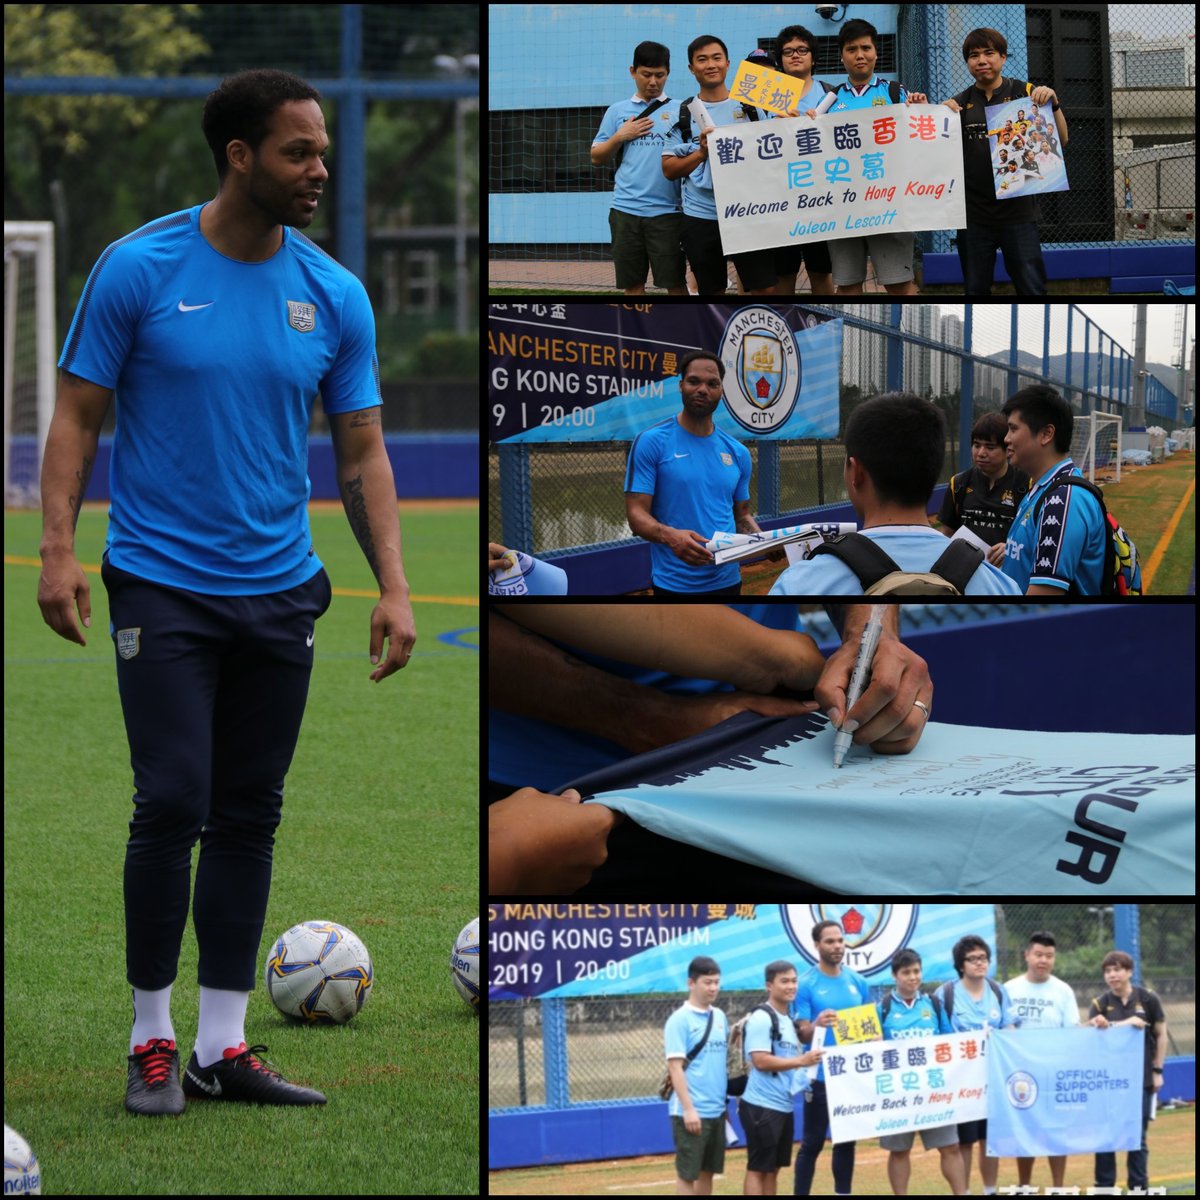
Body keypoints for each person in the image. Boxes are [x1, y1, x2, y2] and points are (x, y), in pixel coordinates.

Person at [38, 68, 417, 1116]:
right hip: (158, 583)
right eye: (298, 152)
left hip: (281, 592)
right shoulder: (137, 269)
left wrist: (393, 587)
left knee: (250, 813)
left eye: (323, 151)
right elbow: (75, 418)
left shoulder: (334, 294)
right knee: (170, 801)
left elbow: (363, 452)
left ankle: (222, 1044)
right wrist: (57, 552)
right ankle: (150, 1039)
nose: (319, 171)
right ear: (239, 156)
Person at [487, 603, 934, 893]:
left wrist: (870, 634)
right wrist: (643, 717)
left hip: (774, 764)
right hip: (560, 803)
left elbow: (855, 570)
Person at [770, 393, 1021, 594]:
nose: (981, 452)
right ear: (933, 472)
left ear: (856, 472)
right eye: (977, 445)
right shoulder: (1001, 586)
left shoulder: (798, 585)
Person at [625, 350, 765, 595]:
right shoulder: (651, 442)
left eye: (712, 384)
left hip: (729, 581)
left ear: (721, 391)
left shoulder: (738, 452)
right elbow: (636, 515)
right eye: (694, 381)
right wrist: (670, 536)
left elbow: (741, 514)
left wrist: (764, 542)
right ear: (681, 385)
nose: (703, 389)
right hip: (674, 586)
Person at [805, 19, 928, 296]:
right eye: (851, 49)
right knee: (847, 285)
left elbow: (920, 139)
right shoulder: (829, 100)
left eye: (865, 48)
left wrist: (921, 111)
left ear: (875, 52)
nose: (859, 55)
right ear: (841, 55)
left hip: (888, 201)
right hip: (843, 203)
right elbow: (814, 148)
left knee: (900, 284)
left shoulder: (896, 93)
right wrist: (809, 122)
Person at [942, 28, 1068, 296]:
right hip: (974, 217)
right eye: (974, 55)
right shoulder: (958, 104)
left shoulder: (1028, 93)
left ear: (1002, 57)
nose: (982, 60)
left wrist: (1053, 104)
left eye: (989, 53)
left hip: (1019, 214)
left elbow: (1063, 140)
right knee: (975, 290)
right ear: (967, 63)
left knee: (1032, 288)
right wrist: (940, 116)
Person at [662, 35, 777, 296]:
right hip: (700, 216)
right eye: (701, 60)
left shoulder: (753, 106)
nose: (710, 64)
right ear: (692, 68)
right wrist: (701, 153)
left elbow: (780, 148)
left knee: (765, 289)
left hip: (748, 212)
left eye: (716, 58)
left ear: (728, 63)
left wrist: (802, 122)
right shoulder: (684, 113)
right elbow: (668, 169)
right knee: (711, 294)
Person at [591, 41, 687, 296]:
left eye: (660, 75)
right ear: (633, 71)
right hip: (625, 210)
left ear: (668, 73)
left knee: (675, 284)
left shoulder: (681, 110)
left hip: (668, 212)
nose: (653, 81)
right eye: (646, 74)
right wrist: (620, 136)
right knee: (632, 286)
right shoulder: (617, 111)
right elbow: (596, 157)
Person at [791, 920, 875, 1196]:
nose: (837, 946)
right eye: (830, 941)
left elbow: (869, 1029)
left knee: (846, 1141)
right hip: (819, 1077)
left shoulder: (858, 982)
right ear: (816, 945)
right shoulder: (805, 984)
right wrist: (816, 1024)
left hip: (851, 1076)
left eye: (840, 940)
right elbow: (802, 1033)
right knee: (812, 1143)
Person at [1000, 385, 1107, 594]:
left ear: (1046, 434)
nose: (1006, 438)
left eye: (1013, 429)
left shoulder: (1064, 499)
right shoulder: (1041, 488)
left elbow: (1042, 604)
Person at [879, 949, 967, 1196]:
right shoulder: (882, 1008)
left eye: (916, 971)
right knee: (899, 1151)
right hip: (898, 1092)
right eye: (906, 972)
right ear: (895, 975)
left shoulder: (934, 1004)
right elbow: (872, 1049)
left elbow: (950, 1043)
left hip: (934, 1090)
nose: (912, 977)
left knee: (950, 1147)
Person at [937, 936, 1016, 1195]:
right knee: (964, 1141)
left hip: (993, 1079)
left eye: (983, 958)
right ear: (961, 965)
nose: (980, 963)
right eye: (973, 959)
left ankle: (990, 1189)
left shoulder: (997, 990)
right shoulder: (946, 993)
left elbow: (1011, 1026)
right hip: (961, 1081)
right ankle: (965, 1190)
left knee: (989, 1140)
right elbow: (937, 1035)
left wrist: (1003, 1036)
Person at [1003, 931, 1081, 1191]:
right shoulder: (1009, 989)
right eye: (1038, 954)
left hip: (1053, 1073)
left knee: (1056, 1131)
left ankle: (1058, 1186)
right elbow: (1003, 1028)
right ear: (1026, 955)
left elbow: (1072, 1030)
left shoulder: (1063, 991)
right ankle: (1025, 1185)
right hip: (1021, 1074)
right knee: (1025, 1132)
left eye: (1049, 956)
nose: (1043, 960)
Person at [740, 961, 824, 1196]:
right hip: (761, 1106)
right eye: (784, 981)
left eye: (794, 980)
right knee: (758, 1168)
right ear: (769, 985)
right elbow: (760, 1060)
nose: (791, 986)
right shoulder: (762, 1017)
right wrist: (802, 1061)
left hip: (782, 1105)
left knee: (774, 1169)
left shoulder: (787, 1020)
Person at [1088, 950, 1168, 1194]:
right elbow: (1089, 1036)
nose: (1113, 975)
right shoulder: (1099, 1004)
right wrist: (1104, 1025)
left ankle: (1138, 1186)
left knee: (1137, 1137)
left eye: (1118, 969)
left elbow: (1161, 1034)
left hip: (1140, 1080)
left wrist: (1157, 1070)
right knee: (1105, 1137)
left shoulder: (1148, 999)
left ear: (1129, 972)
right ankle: (1104, 1187)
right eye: (1108, 971)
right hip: (1108, 1082)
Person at [771, 25, 834, 296]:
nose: (795, 55)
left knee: (821, 273)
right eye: (787, 52)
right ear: (780, 60)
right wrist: (773, 124)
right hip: (780, 199)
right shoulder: (767, 96)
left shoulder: (831, 94)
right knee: (783, 275)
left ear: (813, 57)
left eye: (802, 50)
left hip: (821, 199)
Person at [665, 957, 730, 1197]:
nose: (713, 988)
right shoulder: (679, 1020)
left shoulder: (720, 1016)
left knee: (707, 1172)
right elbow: (675, 1068)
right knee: (687, 1173)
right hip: (690, 1112)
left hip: (716, 1110)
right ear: (691, 983)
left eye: (716, 982)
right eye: (707, 982)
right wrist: (689, 1109)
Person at [936, 412, 1031, 566]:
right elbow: (947, 533)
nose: (981, 453)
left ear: (1007, 449)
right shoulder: (959, 484)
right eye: (977, 445)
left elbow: (1035, 538)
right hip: (965, 573)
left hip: (1007, 577)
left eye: (990, 447)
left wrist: (1011, 548)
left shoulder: (1026, 485)